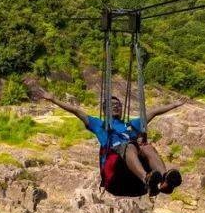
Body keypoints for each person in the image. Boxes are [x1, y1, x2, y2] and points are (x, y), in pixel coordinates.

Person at [26, 80, 185, 196]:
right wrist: (53, 99)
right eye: (111, 105)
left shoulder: (132, 125)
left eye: (118, 105)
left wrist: (174, 105)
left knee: (147, 147)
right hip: (114, 172)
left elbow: (153, 113)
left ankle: (164, 181)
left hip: (132, 174)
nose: (115, 106)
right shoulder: (99, 124)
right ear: (105, 110)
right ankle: (147, 179)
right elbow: (76, 111)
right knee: (129, 145)